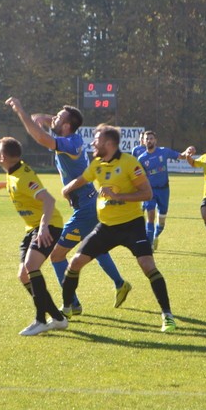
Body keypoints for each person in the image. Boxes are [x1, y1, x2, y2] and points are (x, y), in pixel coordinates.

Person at [4, 97, 131, 314]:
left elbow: (41, 137)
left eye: (60, 116)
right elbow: (39, 122)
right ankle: (120, 284)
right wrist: (46, 118)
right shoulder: (67, 136)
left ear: (67, 125)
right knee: (96, 248)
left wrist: (20, 110)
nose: (55, 117)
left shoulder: (70, 143)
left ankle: (71, 303)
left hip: (86, 208)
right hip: (88, 204)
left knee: (56, 255)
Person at [59, 124, 177, 332]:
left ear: (109, 144)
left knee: (147, 265)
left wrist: (118, 196)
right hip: (105, 227)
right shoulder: (97, 164)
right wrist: (67, 188)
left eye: (97, 140)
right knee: (75, 262)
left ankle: (167, 316)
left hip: (132, 226)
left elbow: (147, 193)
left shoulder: (130, 163)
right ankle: (67, 308)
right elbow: (83, 178)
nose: (93, 143)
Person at [0, 137, 69, 336]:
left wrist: (43, 227)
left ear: (2, 156)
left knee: (31, 267)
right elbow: (14, 183)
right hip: (32, 228)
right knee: (23, 275)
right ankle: (57, 318)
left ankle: (41, 320)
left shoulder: (23, 176)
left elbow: (49, 200)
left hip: (49, 225)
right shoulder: (12, 172)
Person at [137, 130, 194, 250]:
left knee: (161, 222)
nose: (149, 140)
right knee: (151, 216)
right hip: (150, 191)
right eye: (147, 139)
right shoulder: (141, 159)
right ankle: (149, 244)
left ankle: (156, 235)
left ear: (155, 140)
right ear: (143, 141)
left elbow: (182, 156)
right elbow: (138, 177)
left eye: (151, 138)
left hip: (164, 190)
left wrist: (189, 150)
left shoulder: (164, 151)